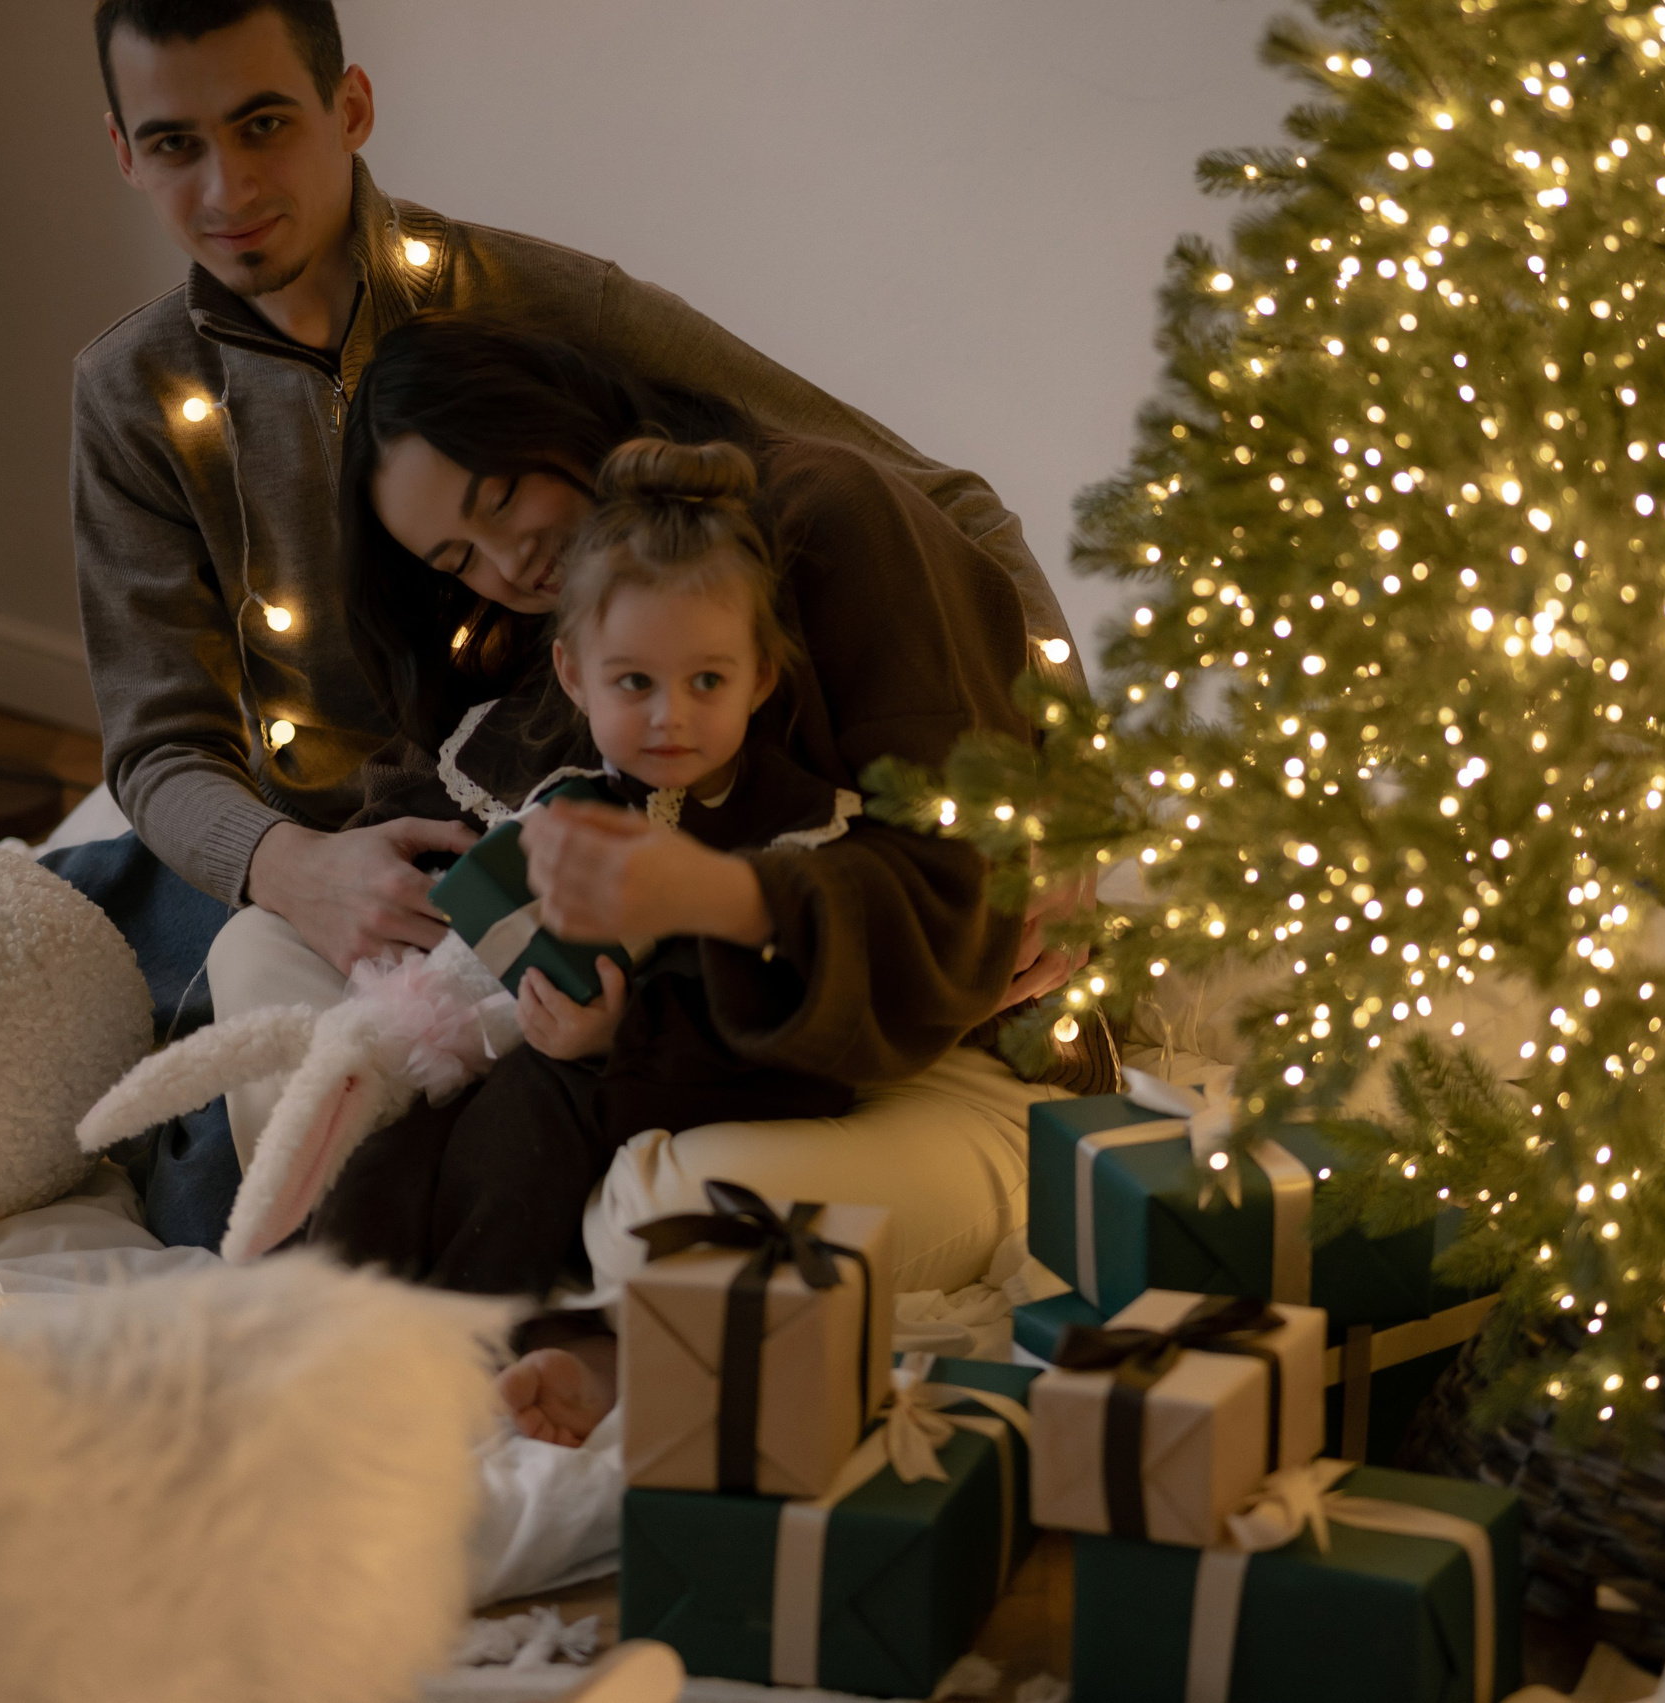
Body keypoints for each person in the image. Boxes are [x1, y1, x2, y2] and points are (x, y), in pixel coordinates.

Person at [61, 0, 1085, 1243]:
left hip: (681, 926)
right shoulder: (133, 397)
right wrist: (290, 867)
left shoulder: (541, 313)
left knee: (614, 1177)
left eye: (263, 124)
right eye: (175, 143)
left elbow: (940, 506)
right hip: (405, 865)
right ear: (123, 152)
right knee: (225, 1000)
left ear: (350, 107)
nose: (227, 187)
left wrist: (1069, 803)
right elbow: (158, 745)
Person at [204, 314, 1111, 1445]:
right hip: (640, 1062)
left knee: (672, 1204)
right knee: (259, 950)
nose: (506, 568)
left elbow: (952, 907)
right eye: (456, 560)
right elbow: (454, 807)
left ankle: (582, 1334)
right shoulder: (559, 627)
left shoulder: (824, 521)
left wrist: (698, 915)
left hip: (924, 1062)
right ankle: (397, 1292)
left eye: (501, 502)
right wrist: (336, 876)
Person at [306, 436, 868, 1298]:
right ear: (574, 676)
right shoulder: (573, 797)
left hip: (719, 1068)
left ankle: (470, 1321)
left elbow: (791, 1022)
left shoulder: (790, 827)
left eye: (707, 682)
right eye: (635, 682)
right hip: (562, 1035)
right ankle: (320, 1300)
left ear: (759, 679)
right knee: (405, 1121)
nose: (670, 716)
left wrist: (619, 1037)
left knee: (533, 1108)